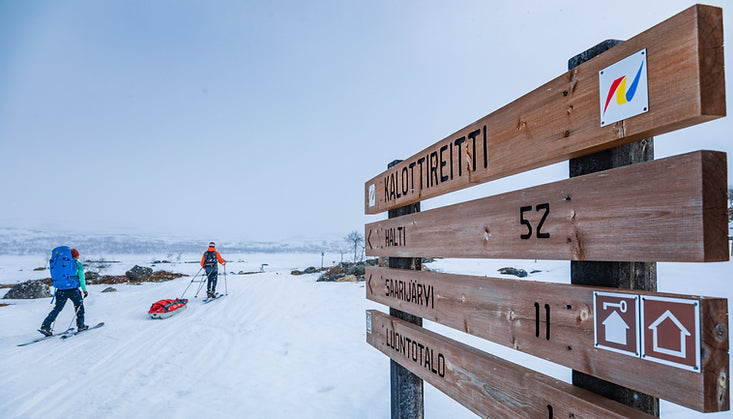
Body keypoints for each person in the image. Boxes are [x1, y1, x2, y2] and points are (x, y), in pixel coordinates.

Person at [40, 248, 88, 336]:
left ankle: (45, 326)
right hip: (73, 290)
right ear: (76, 256)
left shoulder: (61, 264)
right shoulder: (77, 264)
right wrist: (84, 290)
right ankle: (81, 326)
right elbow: (81, 278)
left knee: (57, 308)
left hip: (60, 289)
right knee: (79, 308)